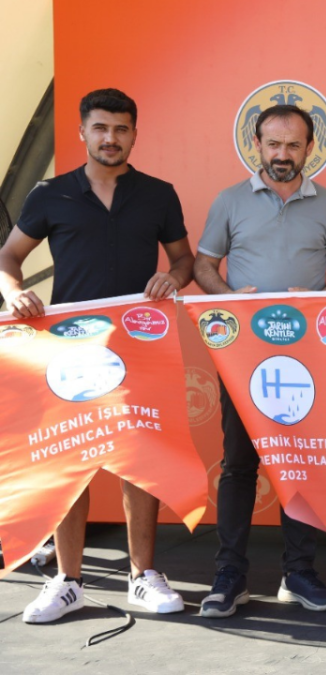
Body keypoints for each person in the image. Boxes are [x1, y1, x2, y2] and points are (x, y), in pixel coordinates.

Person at [0, 88, 195, 623]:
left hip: (139, 346)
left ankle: (143, 576)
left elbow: (183, 260)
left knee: (141, 459)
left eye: (121, 129)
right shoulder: (50, 194)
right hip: (69, 348)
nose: (111, 138)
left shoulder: (158, 194)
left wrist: (173, 278)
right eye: (101, 128)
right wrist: (12, 292)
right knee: (71, 459)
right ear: (83, 132)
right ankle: (68, 582)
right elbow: (8, 257)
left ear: (134, 134)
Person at [193, 104, 326, 618]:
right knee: (239, 464)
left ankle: (299, 573)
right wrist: (230, 302)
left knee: (301, 460)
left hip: (306, 358)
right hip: (243, 355)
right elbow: (203, 264)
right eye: (273, 144)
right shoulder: (229, 200)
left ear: (310, 148)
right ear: (257, 145)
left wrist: (321, 304)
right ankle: (229, 575)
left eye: (293, 145)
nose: (282, 154)